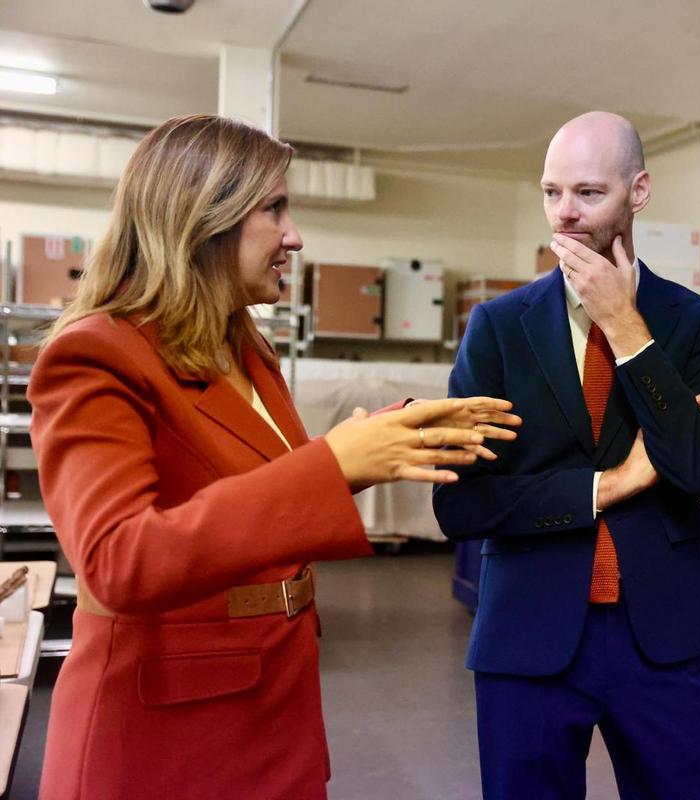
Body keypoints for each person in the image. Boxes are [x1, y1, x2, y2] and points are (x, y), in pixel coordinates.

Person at [30, 114, 519, 800]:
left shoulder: (245, 351)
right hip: (164, 734)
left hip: (270, 707)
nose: (295, 236)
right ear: (202, 218)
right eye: (274, 209)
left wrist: (383, 439)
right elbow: (118, 559)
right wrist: (334, 465)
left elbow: (253, 480)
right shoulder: (96, 354)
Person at [432, 111, 700, 799]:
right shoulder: (498, 327)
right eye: (552, 192)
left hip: (660, 630)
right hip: (529, 630)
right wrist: (608, 485)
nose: (564, 213)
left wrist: (626, 328)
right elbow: (460, 503)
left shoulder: (694, 323)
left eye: (589, 193)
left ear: (639, 192)